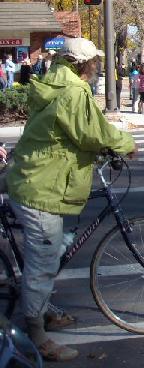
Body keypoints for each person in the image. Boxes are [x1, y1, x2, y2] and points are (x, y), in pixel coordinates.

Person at [4, 37, 136, 361]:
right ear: (83, 65)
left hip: (38, 179)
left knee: (60, 242)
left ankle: (44, 306)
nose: (96, 66)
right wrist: (125, 144)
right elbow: (93, 133)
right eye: (94, 62)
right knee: (43, 264)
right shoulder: (75, 93)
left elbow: (77, 131)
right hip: (41, 188)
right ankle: (36, 335)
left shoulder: (56, 84)